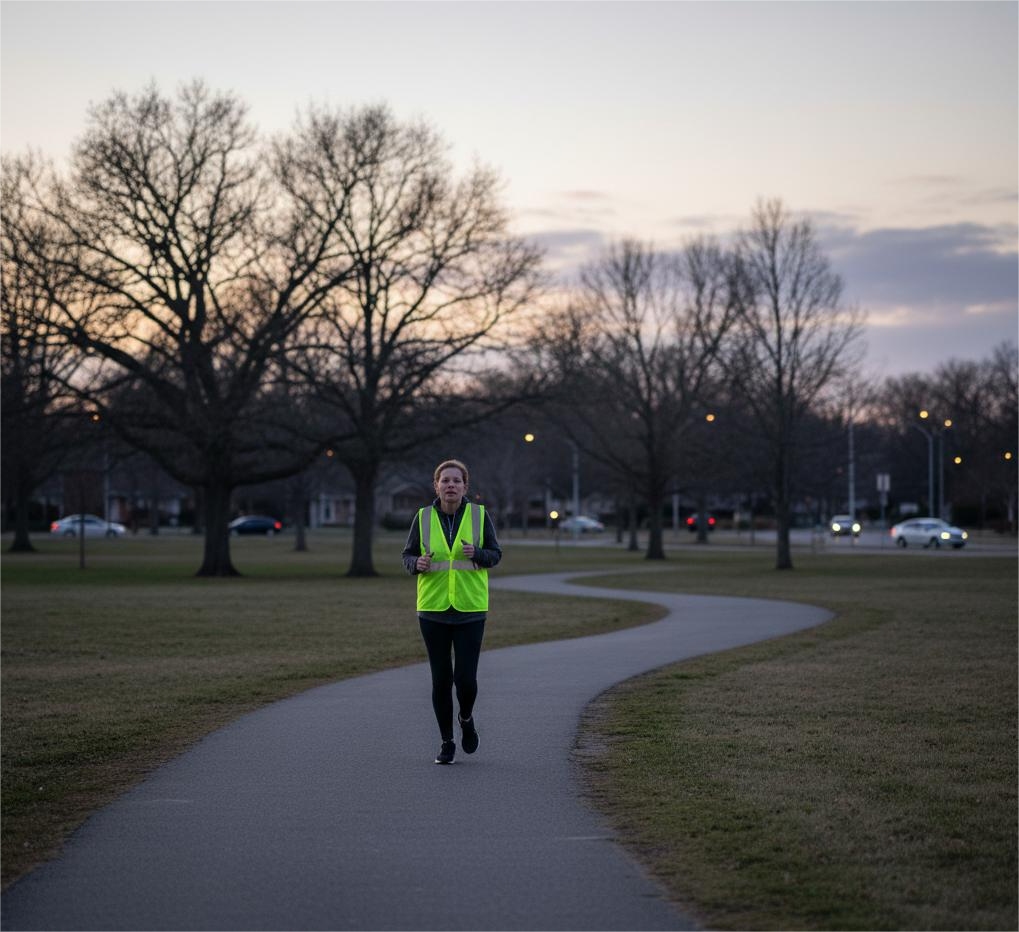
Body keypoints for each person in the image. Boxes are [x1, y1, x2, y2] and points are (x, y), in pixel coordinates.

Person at [402, 459, 502, 765]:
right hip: (432, 609)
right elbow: (408, 554)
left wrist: (479, 554)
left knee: (466, 680)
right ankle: (446, 742)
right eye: (445, 480)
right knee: (441, 680)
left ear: (465, 486)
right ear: (436, 485)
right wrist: (415, 564)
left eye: (456, 481)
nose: (450, 485)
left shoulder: (479, 515)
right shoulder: (422, 517)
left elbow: (495, 555)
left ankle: (466, 718)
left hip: (471, 609)